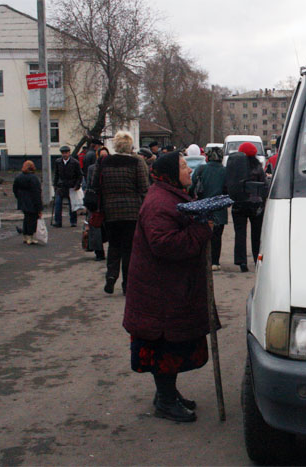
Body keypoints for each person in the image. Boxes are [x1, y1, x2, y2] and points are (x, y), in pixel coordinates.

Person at [122, 151, 215, 423]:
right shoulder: (160, 202)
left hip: (167, 290)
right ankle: (164, 400)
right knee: (164, 347)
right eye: (184, 167)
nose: (189, 171)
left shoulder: (170, 194)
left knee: (172, 346)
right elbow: (164, 244)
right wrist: (201, 230)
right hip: (160, 295)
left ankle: (168, 394)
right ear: (171, 174)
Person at [100, 131, 149, 295]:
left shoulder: (104, 162)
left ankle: (111, 276)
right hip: (131, 212)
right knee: (129, 248)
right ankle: (127, 284)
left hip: (110, 211)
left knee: (114, 245)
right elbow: (144, 187)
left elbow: (96, 185)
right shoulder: (137, 162)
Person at [228, 142, 266, 272]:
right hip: (255, 204)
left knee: (240, 233)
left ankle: (242, 262)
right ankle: (257, 260)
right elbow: (264, 184)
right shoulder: (258, 167)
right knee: (257, 234)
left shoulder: (235, 168)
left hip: (239, 203)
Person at [191, 146, 228, 270]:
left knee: (202, 234)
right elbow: (228, 190)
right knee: (217, 236)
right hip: (219, 207)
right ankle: (215, 262)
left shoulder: (201, 169)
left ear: (207, 157)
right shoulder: (225, 171)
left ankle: (202, 260)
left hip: (203, 206)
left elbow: (192, 187)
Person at [86, 147, 110, 261]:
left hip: (109, 201)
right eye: (101, 156)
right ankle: (99, 252)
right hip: (96, 202)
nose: (103, 158)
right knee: (96, 227)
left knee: (109, 227)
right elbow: (89, 185)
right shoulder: (92, 169)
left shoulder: (111, 169)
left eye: (105, 155)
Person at [13, 160, 42, 245]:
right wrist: (39, 208)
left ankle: (25, 236)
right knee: (32, 220)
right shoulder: (33, 178)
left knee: (26, 219)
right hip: (32, 202)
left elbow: (15, 189)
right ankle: (30, 237)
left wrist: (19, 197)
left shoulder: (19, 177)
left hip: (22, 201)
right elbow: (37, 193)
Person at [52, 145, 82, 227]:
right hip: (61, 186)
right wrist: (55, 184)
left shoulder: (75, 162)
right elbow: (56, 174)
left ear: (69, 153)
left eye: (66, 153)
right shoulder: (58, 162)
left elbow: (79, 175)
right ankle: (58, 221)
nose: (64, 154)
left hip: (71, 186)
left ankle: (73, 221)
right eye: (63, 153)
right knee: (58, 204)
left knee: (72, 205)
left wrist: (77, 185)